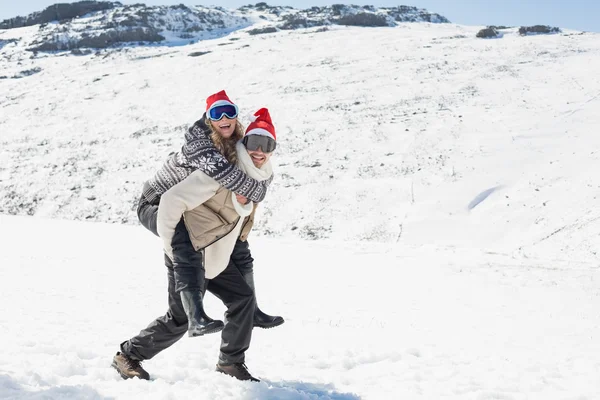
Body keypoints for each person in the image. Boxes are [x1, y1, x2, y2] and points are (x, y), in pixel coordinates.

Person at [112, 106, 280, 382]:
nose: (260, 151)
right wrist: (176, 248)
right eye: (254, 143)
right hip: (188, 250)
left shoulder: (257, 178)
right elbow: (169, 203)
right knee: (180, 318)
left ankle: (230, 363)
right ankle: (127, 356)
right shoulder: (223, 171)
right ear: (243, 143)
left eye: (267, 144)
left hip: (215, 253)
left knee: (243, 299)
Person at [137, 90, 282, 336]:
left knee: (240, 246)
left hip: (187, 205)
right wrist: (256, 191)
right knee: (183, 241)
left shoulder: (236, 142)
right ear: (208, 119)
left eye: (230, 112)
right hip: (155, 203)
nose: (224, 117)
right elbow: (229, 176)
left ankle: (252, 309)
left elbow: (254, 171)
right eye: (217, 113)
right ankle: (196, 318)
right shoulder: (199, 144)